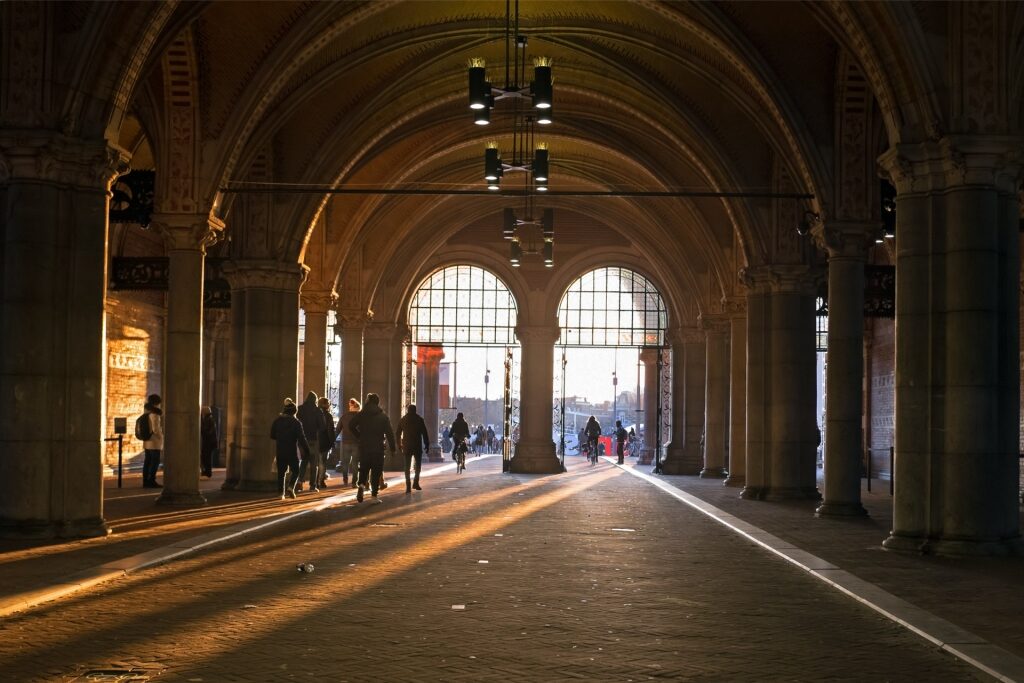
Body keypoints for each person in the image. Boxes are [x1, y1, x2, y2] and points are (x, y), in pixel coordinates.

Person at [349, 393, 396, 503]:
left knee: (364, 468)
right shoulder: (383, 416)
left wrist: (359, 436)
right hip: (378, 448)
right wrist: (393, 449)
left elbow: (351, 425)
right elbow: (390, 434)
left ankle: (361, 486)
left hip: (364, 446)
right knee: (376, 471)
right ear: (377, 402)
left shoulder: (361, 414)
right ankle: (374, 496)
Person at [271, 398, 310, 499]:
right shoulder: (296, 423)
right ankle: (291, 486)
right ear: (294, 412)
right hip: (292, 450)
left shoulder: (277, 421)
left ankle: (281, 493)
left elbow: (272, 435)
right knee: (296, 471)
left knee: (281, 473)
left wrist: (280, 438)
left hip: (280, 449)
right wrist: (307, 450)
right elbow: (302, 438)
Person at [396, 404, 430, 493]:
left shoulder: (403, 420)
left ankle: (408, 486)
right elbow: (425, 433)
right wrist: (427, 445)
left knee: (406, 467)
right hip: (417, 446)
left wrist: (399, 444)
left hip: (407, 446)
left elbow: (398, 433)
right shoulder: (419, 420)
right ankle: (416, 483)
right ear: (415, 410)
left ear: (408, 410)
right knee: (418, 466)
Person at [296, 391, 326, 492]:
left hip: (302, 439)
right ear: (315, 400)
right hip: (313, 439)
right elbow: (322, 426)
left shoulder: (300, 409)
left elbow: (297, 423)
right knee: (314, 463)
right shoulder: (318, 411)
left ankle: (299, 482)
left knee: (303, 462)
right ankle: (313, 485)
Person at [336, 398, 361, 487]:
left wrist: (333, 440)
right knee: (355, 463)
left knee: (345, 462)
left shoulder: (344, 416)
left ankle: (345, 478)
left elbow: (338, 429)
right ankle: (354, 482)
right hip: (356, 443)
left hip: (345, 442)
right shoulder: (360, 417)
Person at [141, 394, 164, 488]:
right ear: (157, 403)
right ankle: (151, 481)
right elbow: (156, 429)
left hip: (147, 441)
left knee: (147, 461)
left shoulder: (146, 412)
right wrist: (161, 436)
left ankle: (145, 481)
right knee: (155, 462)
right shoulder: (155, 414)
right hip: (154, 442)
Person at [317, 397, 336, 488]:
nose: (329, 405)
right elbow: (330, 430)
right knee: (323, 462)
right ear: (325, 404)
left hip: (315, 440)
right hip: (324, 441)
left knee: (315, 462)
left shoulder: (314, 414)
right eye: (328, 403)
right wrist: (332, 442)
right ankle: (321, 481)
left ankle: (314, 482)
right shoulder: (328, 416)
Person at [200, 405, 217, 479]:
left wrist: (201, 428)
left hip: (209, 442)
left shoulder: (208, 419)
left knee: (207, 457)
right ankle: (206, 471)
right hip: (209, 442)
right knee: (205, 457)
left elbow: (207, 431)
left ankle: (207, 472)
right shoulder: (209, 419)